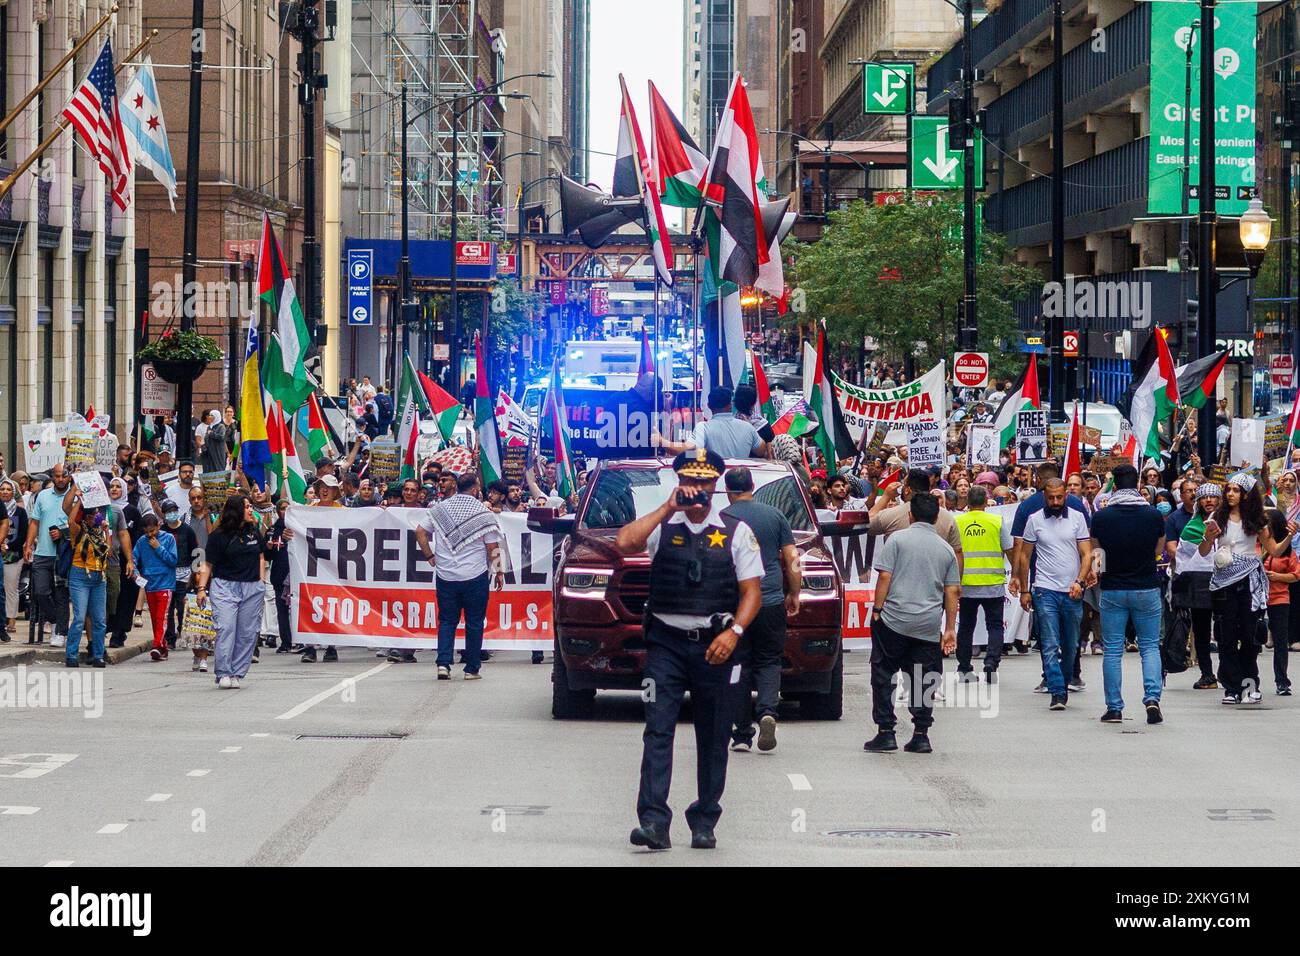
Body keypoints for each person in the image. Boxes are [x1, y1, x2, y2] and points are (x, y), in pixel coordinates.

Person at [613, 448, 763, 850]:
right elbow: (623, 543)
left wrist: (734, 632)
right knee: (657, 729)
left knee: (714, 735)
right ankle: (653, 822)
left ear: (716, 486)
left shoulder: (736, 532)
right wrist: (667, 508)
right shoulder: (663, 525)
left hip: (716, 646)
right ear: (680, 482)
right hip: (665, 643)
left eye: (705, 482)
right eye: (690, 481)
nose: (697, 489)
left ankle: (705, 819)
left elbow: (752, 593)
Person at [863, 491, 959, 754]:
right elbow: (952, 591)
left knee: (883, 674)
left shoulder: (897, 540)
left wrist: (877, 610)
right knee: (924, 678)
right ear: (937, 515)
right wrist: (949, 628)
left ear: (910, 514)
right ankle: (921, 733)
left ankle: (885, 732)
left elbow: (884, 577)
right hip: (928, 625)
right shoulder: (946, 549)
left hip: (893, 619)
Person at [723, 467, 800, 753]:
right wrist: (794, 591)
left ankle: (742, 732)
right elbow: (792, 556)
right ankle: (767, 711)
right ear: (752, 486)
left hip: (735, 603)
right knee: (769, 661)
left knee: (737, 664)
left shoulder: (723, 520)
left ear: (728, 490)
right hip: (769, 600)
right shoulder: (775, 516)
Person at [1200, 472, 1291, 704]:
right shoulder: (1216, 517)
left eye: (1236, 490)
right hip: (1224, 581)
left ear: (1246, 494)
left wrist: (1290, 536)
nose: (1230, 494)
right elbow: (1202, 551)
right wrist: (1209, 539)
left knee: (1250, 635)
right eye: (1228, 490)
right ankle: (1231, 687)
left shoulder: (1258, 520)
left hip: (1249, 581)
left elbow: (1274, 550)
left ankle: (1250, 685)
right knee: (1226, 635)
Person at [1089, 464, 1169, 724]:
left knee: (1112, 650)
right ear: (1138, 484)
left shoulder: (1101, 517)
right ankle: (1152, 699)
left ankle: (1114, 707)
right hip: (1146, 585)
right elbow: (1158, 548)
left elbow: (1097, 553)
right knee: (1149, 646)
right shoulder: (1154, 515)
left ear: (1114, 486)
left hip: (1113, 587)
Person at [414, 471, 504, 680]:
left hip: (446, 575)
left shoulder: (439, 510)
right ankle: (471, 669)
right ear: (474, 489)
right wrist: (499, 571)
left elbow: (420, 532)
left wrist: (429, 556)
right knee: (474, 622)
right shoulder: (483, 514)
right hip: (475, 575)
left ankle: (443, 664)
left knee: (447, 620)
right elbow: (493, 547)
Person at [1015, 478, 1093, 711]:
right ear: (1045, 497)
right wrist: (1025, 589)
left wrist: (1080, 581)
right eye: (1051, 498)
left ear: (1066, 496)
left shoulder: (1078, 518)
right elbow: (1024, 556)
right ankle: (1057, 691)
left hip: (1072, 590)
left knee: (1070, 645)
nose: (1056, 501)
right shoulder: (1034, 520)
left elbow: (1087, 554)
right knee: (1049, 643)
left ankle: (1065, 678)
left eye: (1060, 497)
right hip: (1044, 589)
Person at [197, 495, 267, 689]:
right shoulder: (218, 535)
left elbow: (261, 555)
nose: (250, 509)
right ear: (236, 510)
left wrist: (261, 580)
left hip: (252, 588)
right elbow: (208, 564)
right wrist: (202, 588)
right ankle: (223, 672)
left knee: (247, 633)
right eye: (246, 507)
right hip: (225, 587)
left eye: (250, 506)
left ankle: (237, 672)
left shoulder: (253, 532)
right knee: (226, 628)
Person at [954, 484, 1014, 683]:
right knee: (995, 626)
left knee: (966, 627)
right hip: (992, 583)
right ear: (985, 503)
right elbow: (1009, 548)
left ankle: (964, 669)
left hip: (966, 584)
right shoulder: (996, 521)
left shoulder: (958, 521)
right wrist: (1017, 575)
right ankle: (991, 663)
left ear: (968, 502)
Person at [64, 487, 129, 669]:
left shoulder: (100, 534)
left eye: (97, 516)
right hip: (80, 575)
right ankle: (71, 655)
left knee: (100, 619)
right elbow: (70, 520)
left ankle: (99, 655)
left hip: (99, 577)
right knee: (79, 618)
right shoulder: (78, 532)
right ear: (86, 518)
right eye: (92, 516)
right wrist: (78, 500)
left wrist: (106, 530)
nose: (95, 518)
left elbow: (108, 551)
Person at [1171, 483, 1222, 690]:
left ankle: (1228, 672)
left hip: (1225, 581)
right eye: (1204, 498)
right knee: (1201, 631)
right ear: (1198, 502)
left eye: (1213, 497)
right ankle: (1207, 675)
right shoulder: (1192, 527)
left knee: (1225, 629)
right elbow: (1183, 558)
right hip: (1199, 583)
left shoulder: (1229, 524)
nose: (1208, 501)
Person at [24, 464, 72, 647]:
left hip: (63, 554)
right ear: (53, 477)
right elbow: (34, 522)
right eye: (57, 476)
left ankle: (60, 632)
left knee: (61, 595)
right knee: (40, 592)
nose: (60, 479)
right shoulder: (43, 496)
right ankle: (56, 622)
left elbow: (79, 524)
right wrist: (29, 544)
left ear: (69, 477)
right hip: (43, 552)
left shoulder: (75, 496)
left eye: (63, 476)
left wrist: (63, 532)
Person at [659, 386, 766, 460]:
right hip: (741, 481)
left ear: (709, 405)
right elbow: (761, 451)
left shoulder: (703, 427)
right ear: (730, 405)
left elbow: (686, 450)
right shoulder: (747, 427)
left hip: (715, 480)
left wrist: (661, 441)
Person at [132, 513, 178, 662]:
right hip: (150, 585)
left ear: (158, 525)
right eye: (146, 532)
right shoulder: (141, 542)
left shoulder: (169, 539)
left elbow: (173, 560)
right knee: (154, 618)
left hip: (165, 584)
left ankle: (157, 645)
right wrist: (137, 574)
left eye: (152, 531)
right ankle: (162, 648)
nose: (150, 535)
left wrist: (158, 548)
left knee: (161, 617)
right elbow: (133, 560)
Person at [1262, 508, 1296, 696]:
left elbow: (1296, 574)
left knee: (1281, 641)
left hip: (1279, 597)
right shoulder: (1256, 545)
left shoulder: (1286, 550)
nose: (1264, 525)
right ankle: (1249, 679)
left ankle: (1282, 681)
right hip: (1257, 598)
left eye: (1267, 522)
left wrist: (1278, 576)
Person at [160, 500, 199, 662]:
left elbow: (196, 551)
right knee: (167, 608)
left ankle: (182, 632)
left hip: (184, 572)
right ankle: (169, 638)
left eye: (174, 510)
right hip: (166, 572)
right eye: (168, 511)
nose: (172, 513)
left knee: (182, 606)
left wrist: (195, 573)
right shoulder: (161, 530)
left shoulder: (187, 530)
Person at [0, 478, 28, 637]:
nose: (4, 492)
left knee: (11, 588)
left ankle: (11, 620)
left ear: (13, 493)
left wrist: (7, 547)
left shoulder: (20, 512)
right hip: (0, 552)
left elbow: (22, 535)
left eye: (8, 489)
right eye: (2, 489)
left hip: (14, 555)